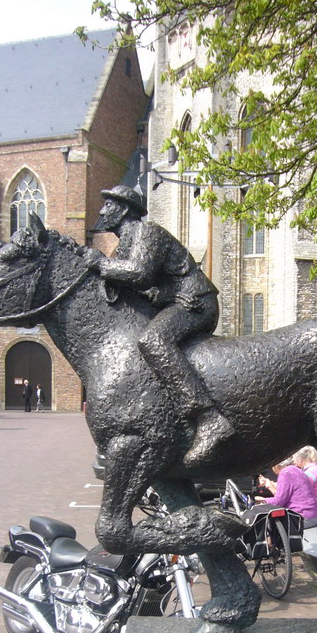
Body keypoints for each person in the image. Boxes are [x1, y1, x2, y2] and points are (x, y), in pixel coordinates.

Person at [93, 185, 233, 467]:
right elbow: (120, 290)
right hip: (173, 302)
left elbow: (140, 274)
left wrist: (101, 265)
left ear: (122, 209)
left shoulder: (147, 233)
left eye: (108, 205)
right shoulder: (124, 245)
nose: (102, 210)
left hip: (195, 303)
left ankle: (208, 417)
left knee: (153, 340)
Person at [255, 457, 317, 528]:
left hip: (303, 518)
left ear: (276, 465)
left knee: (266, 523)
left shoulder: (285, 473)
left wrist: (262, 500)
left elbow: (278, 501)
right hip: (312, 516)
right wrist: (270, 485)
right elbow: (284, 495)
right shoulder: (295, 469)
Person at [293, 446, 317, 521]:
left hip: (316, 513)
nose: (293, 461)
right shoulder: (316, 469)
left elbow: (300, 492)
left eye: (294, 458)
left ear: (300, 459)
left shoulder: (310, 473)